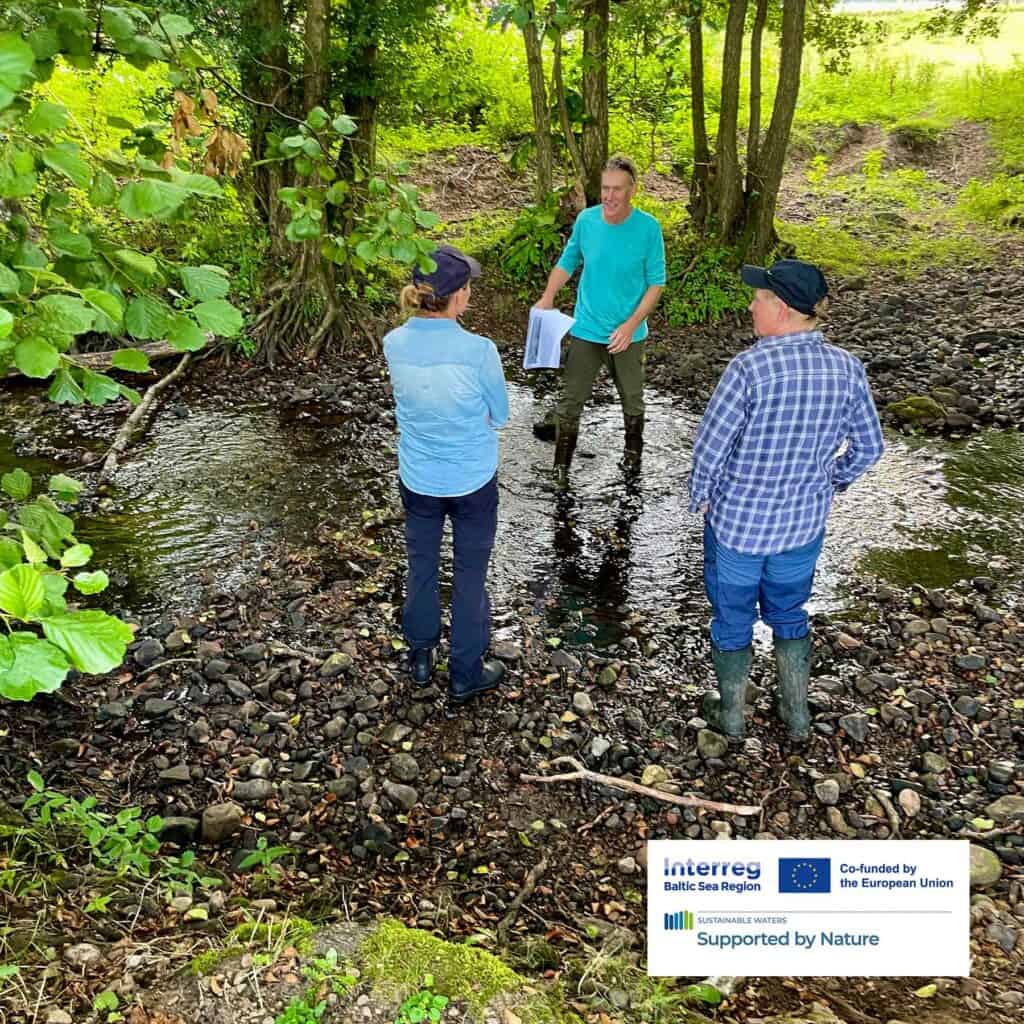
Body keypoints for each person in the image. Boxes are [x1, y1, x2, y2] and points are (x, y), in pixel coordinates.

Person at [688, 259, 884, 746]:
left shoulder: (749, 369)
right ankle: (795, 715)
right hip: (802, 526)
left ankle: (731, 716)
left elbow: (711, 449)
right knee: (790, 613)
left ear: (780, 308)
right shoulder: (847, 368)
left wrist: (702, 500)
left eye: (758, 298)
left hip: (738, 529)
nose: (751, 305)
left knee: (732, 617)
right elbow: (870, 447)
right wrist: (829, 481)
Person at [383, 245, 510, 706]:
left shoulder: (393, 343)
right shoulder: (479, 351)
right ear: (457, 297)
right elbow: (500, 415)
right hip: (473, 481)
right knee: (470, 575)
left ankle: (420, 657)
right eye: (468, 286)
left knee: (421, 566)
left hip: (417, 479)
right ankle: (465, 672)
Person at [534, 155, 666, 488]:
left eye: (616, 189)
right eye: (605, 188)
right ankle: (560, 472)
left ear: (632, 190)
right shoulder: (587, 221)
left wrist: (631, 324)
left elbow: (656, 283)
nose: (609, 196)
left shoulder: (648, 228)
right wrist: (548, 297)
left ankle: (632, 463)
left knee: (633, 400)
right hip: (587, 329)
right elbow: (568, 260)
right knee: (570, 401)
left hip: (628, 333)